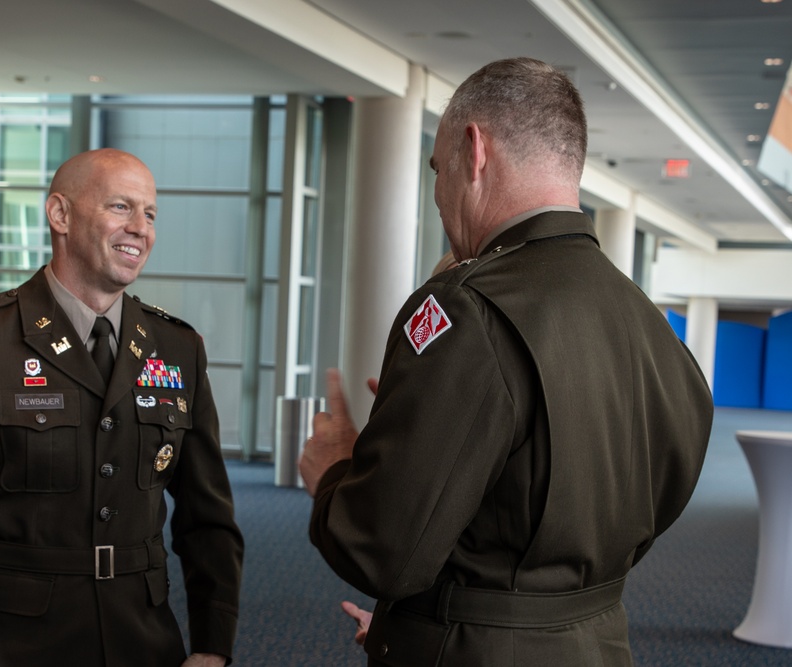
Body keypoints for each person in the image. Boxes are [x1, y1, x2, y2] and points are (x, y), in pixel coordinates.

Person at [300, 58, 713, 666]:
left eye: (437, 170)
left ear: (475, 151)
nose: (439, 197)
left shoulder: (466, 308)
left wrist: (335, 470)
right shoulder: (653, 328)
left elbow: (384, 550)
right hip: (600, 644)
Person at [0, 148, 243, 667]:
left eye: (151, 213)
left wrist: (212, 643)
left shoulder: (176, 346)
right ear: (60, 215)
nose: (141, 227)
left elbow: (208, 517)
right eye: (121, 207)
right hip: (12, 647)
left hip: (146, 643)